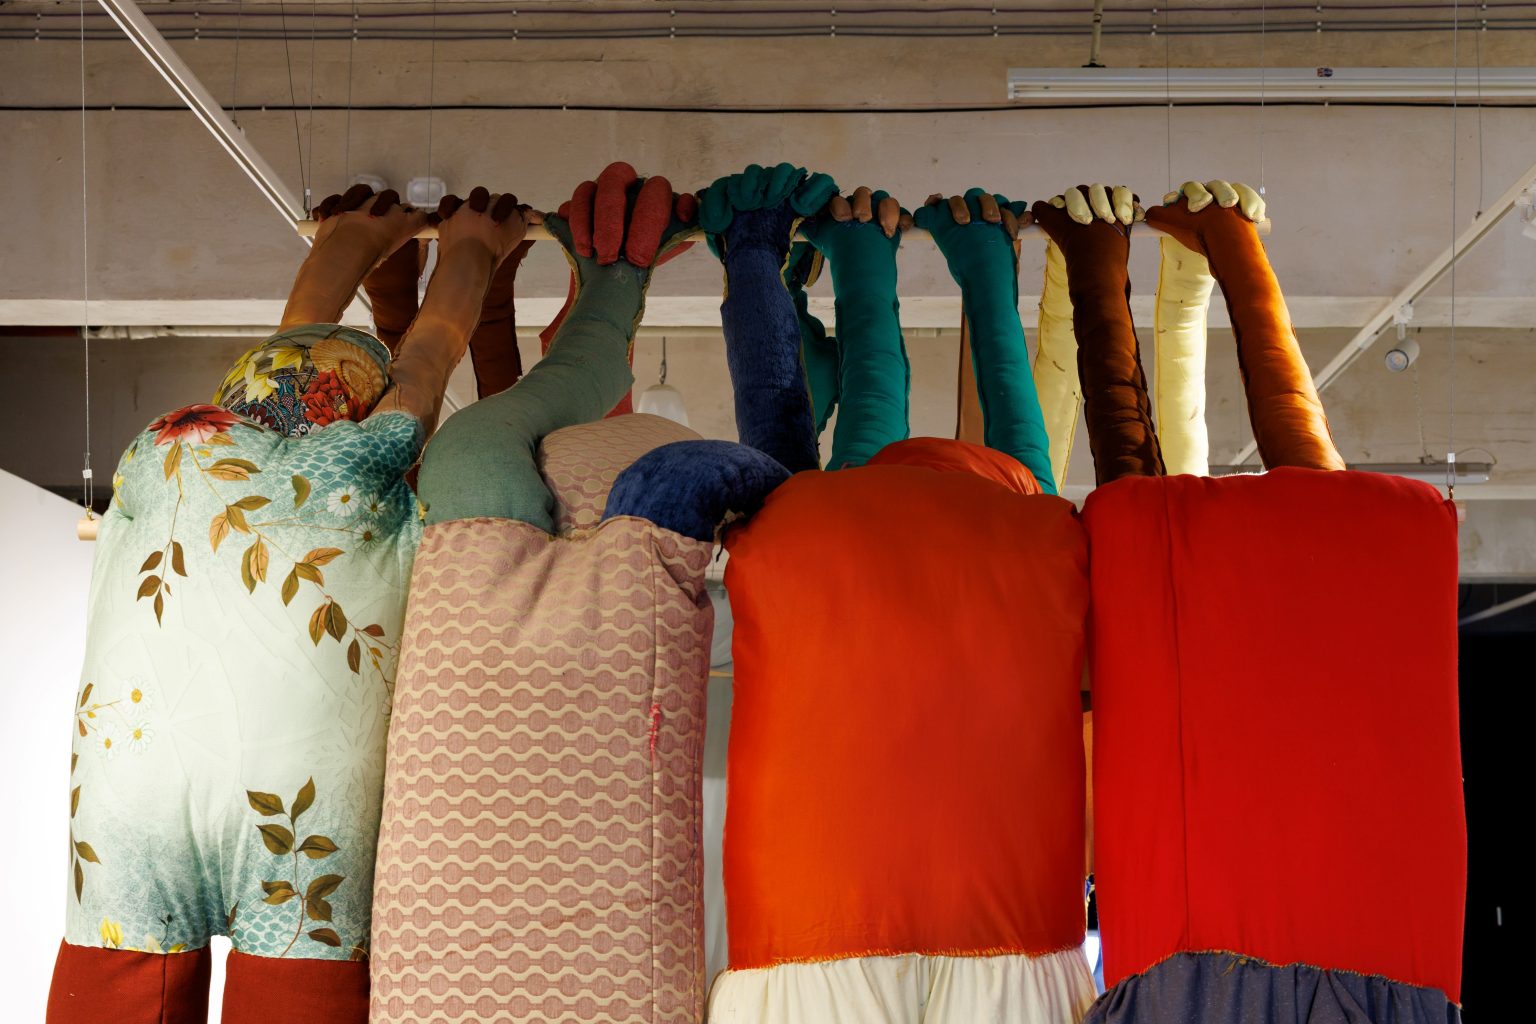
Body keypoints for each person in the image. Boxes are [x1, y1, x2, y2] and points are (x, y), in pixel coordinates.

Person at [46, 184, 532, 1024]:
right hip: (303, 816)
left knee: (119, 987)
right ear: (359, 405)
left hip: (132, 805)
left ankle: (357, 239)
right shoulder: (358, 459)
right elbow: (427, 361)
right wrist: (475, 249)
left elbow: (285, 364)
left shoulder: (166, 449)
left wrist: (355, 242)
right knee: (298, 989)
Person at [369, 161, 790, 1024]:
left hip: (481, 599)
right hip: (593, 588)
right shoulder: (644, 489)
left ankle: (608, 287)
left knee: (480, 443)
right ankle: (610, 287)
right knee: (491, 444)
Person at [1032, 183, 1464, 1024]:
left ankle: (1216, 244)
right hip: (1212, 911)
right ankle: (1102, 256)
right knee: (1146, 482)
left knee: (1299, 459)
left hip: (1354, 914)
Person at [674, 168, 1097, 1024]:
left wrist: (989, 266)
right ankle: (851, 256)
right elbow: (775, 407)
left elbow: (1018, 428)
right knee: (833, 432)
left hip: (862, 916)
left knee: (870, 421)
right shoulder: (1025, 532)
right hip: (857, 921)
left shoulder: (1035, 525)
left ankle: (920, 256)